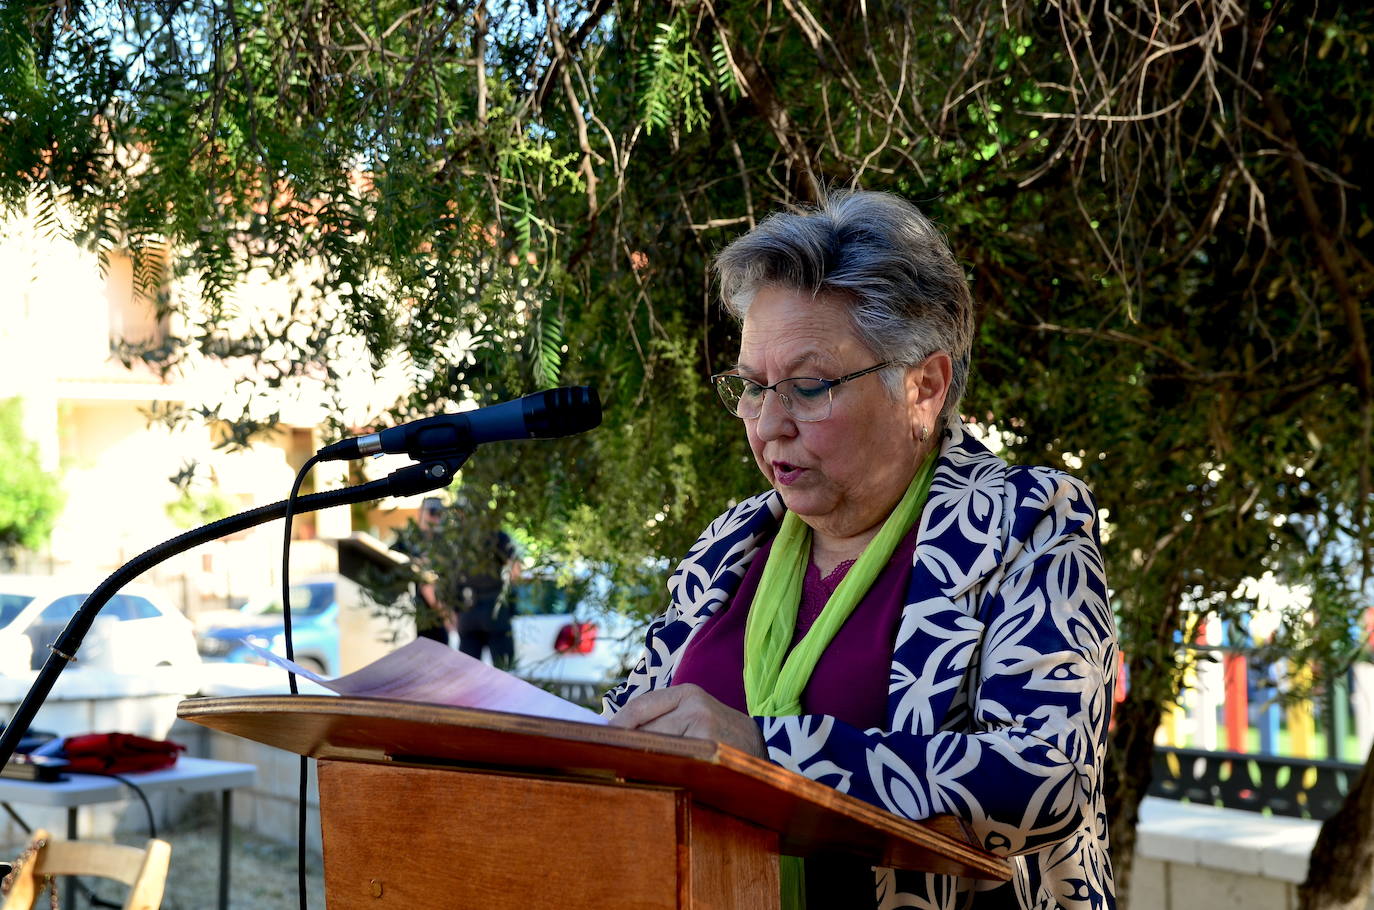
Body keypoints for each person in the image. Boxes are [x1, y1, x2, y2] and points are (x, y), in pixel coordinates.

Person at [603, 189, 1118, 909]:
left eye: (808, 387)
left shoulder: (1023, 523)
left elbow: (1044, 779)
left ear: (923, 388)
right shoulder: (727, 546)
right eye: (753, 388)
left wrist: (766, 753)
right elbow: (630, 733)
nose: (769, 424)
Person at [391, 496, 453, 645]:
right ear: (421, 512)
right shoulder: (406, 540)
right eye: (432, 512)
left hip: (437, 619)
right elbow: (390, 564)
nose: (435, 518)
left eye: (439, 514)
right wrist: (415, 565)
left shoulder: (443, 542)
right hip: (411, 617)